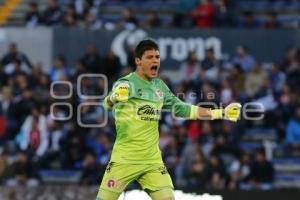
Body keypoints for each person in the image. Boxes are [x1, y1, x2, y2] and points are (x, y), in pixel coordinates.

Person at [96, 39, 241, 200]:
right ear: (138, 61)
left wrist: (221, 113)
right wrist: (115, 97)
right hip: (124, 159)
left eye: (157, 57)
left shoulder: (160, 87)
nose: (155, 61)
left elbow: (183, 109)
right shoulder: (126, 83)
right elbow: (106, 104)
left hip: (152, 161)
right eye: (150, 57)